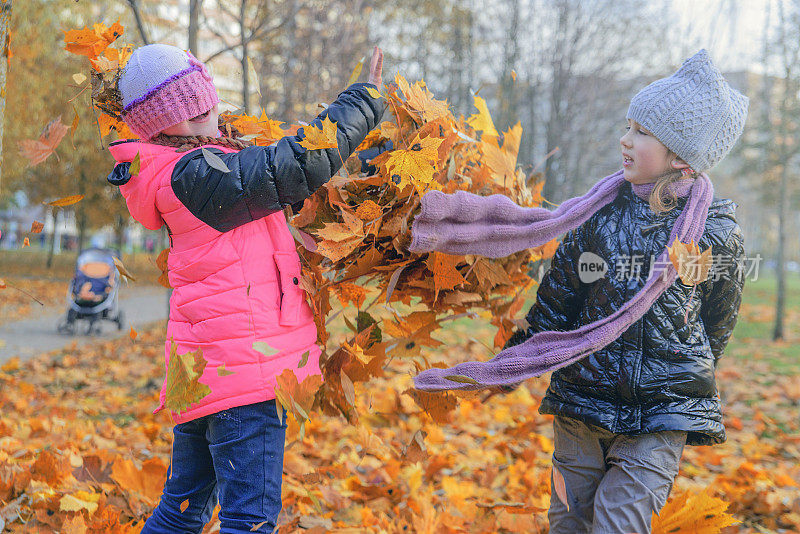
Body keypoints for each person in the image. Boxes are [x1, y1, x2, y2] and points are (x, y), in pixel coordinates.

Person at [409, 49, 748, 533]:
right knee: (569, 521)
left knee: (618, 524)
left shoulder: (714, 235)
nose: (625, 140)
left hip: (661, 412)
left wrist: (675, 367)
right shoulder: (597, 218)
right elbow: (556, 305)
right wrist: (506, 367)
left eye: (642, 132)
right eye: (628, 127)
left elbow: (717, 322)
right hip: (581, 404)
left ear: (681, 156)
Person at [106, 43, 384, 533]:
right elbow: (293, 165)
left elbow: (287, 189)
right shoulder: (197, 176)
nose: (217, 115)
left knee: (182, 511)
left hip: (206, 370)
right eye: (205, 110)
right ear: (182, 120)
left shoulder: (186, 169)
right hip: (242, 374)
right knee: (249, 520)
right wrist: (362, 102)